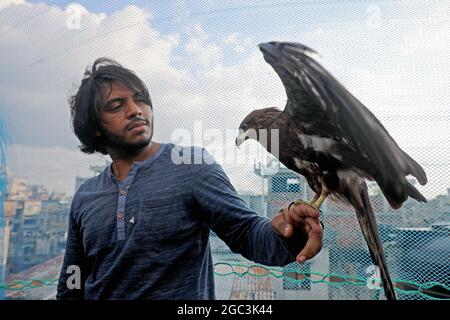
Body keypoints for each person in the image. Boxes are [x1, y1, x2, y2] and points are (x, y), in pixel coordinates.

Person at [56, 58, 323, 299]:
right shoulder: (85, 196)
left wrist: (289, 234)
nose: (136, 110)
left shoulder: (192, 166)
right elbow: (72, 280)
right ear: (95, 127)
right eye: (117, 105)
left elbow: (248, 234)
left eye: (140, 99)